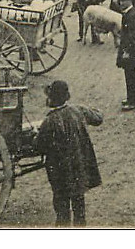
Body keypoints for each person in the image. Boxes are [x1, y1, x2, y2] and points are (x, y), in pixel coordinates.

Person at [34, 80, 103, 227]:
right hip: (79, 168)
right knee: (79, 204)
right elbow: (98, 118)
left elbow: (39, 146)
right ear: (67, 96)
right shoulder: (78, 111)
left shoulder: (49, 121)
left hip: (59, 173)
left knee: (62, 208)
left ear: (51, 99)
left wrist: (36, 134)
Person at [117, 0, 135, 111]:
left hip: (132, 52)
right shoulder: (130, 13)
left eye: (123, 1)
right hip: (131, 51)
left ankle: (134, 101)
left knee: (131, 76)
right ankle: (131, 98)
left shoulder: (132, 15)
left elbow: (133, 36)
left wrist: (127, 51)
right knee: (129, 75)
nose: (121, 3)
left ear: (129, 1)